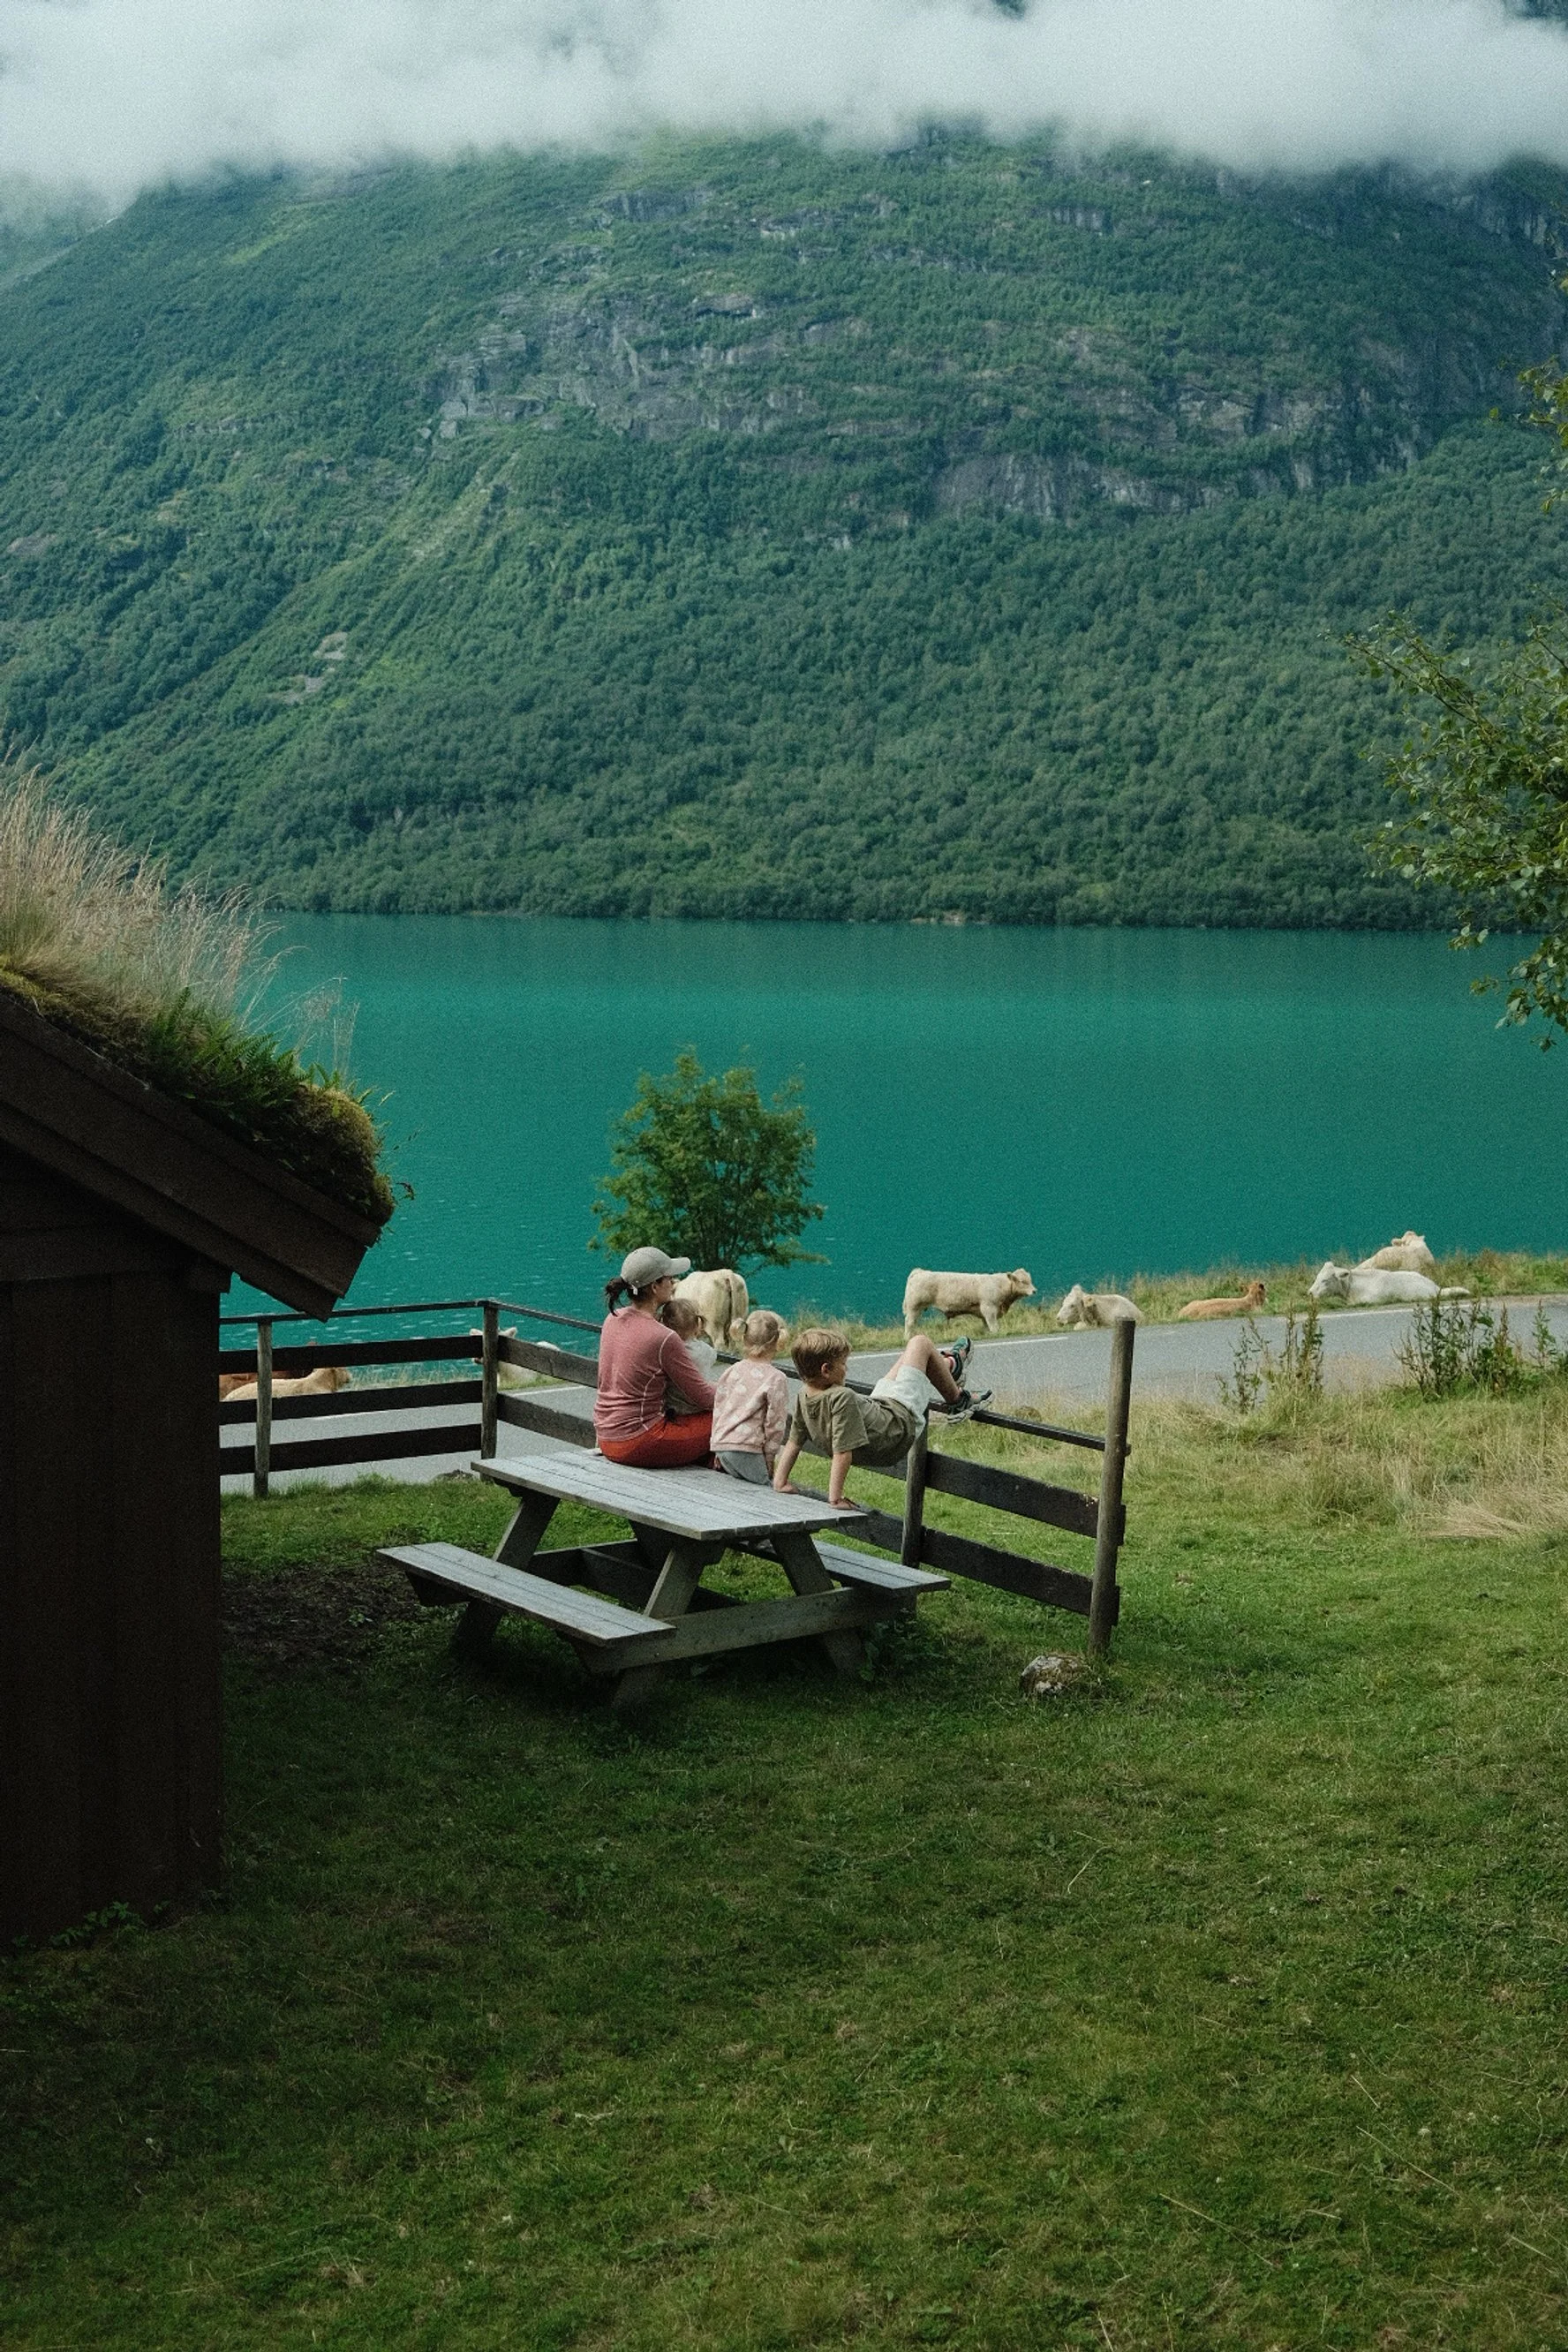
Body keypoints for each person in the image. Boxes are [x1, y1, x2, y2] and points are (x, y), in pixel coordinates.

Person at [773, 1326, 991, 1508]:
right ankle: (957, 1399)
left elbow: (794, 1442)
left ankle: (948, 1366)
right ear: (826, 1370)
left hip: (880, 1413)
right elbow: (842, 1452)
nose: (846, 1370)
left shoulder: (803, 1395)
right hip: (899, 1424)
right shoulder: (843, 1397)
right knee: (920, 1343)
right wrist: (835, 1498)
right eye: (843, 1364)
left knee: (908, 1357)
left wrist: (780, 1482)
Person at [593, 1246, 717, 1468]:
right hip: (640, 1441)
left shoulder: (613, 1319)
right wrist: (738, 1390)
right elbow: (705, 1398)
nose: (673, 1282)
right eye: (669, 1278)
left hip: (605, 1436)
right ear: (654, 1286)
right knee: (734, 1421)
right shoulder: (664, 1337)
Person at [710, 1310, 792, 1485]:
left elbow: (719, 1408)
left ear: (744, 1337)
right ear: (777, 1341)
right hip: (748, 1449)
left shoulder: (732, 1370)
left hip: (723, 1445)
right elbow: (775, 1423)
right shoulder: (776, 1378)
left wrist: (716, 1446)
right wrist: (770, 1457)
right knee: (768, 1492)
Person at [660, 1296, 718, 1413]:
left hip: (675, 1409)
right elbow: (713, 1358)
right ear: (697, 1324)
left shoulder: (667, 1351)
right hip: (701, 1406)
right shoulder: (707, 1350)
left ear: (665, 1324)